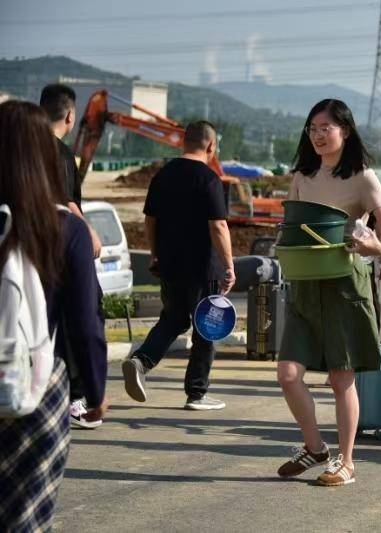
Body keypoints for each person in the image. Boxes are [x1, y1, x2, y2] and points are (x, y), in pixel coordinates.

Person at [276, 99, 381, 487]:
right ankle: (315, 447)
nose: (317, 135)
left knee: (340, 379)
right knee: (288, 373)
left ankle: (346, 462)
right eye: (312, 128)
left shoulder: (363, 176)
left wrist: (379, 248)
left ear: (345, 130)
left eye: (325, 128)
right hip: (305, 284)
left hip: (345, 282)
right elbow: (291, 224)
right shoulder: (302, 175)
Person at [0, 100, 107, 531]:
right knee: (24, 518)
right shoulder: (65, 228)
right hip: (38, 387)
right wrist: (96, 391)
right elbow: (85, 323)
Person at [122, 121, 235, 411]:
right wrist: (229, 265)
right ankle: (197, 393)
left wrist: (154, 253)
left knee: (174, 319)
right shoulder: (209, 179)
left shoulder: (163, 175)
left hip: (170, 264)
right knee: (206, 327)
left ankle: (141, 360)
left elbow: (150, 220)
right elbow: (219, 226)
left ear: (183, 143)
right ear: (211, 146)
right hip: (202, 267)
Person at [40, 83, 106, 428]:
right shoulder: (61, 154)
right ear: (70, 115)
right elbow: (67, 204)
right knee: (81, 311)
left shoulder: (17, 151)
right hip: (55, 247)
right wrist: (88, 233)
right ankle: (77, 397)